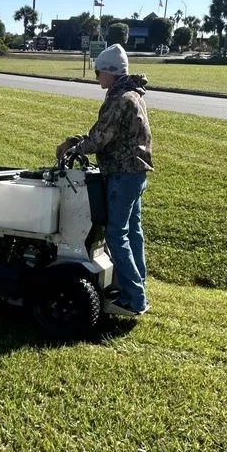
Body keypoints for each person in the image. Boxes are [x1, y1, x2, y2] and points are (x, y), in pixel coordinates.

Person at [56, 44, 153, 316]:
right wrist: (76, 141)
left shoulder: (120, 99)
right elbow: (106, 133)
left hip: (122, 174)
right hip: (135, 173)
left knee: (115, 234)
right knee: (132, 232)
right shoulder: (132, 94)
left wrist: (73, 149)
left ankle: (134, 298)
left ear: (110, 72)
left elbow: (100, 138)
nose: (96, 76)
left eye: (98, 71)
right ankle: (135, 287)